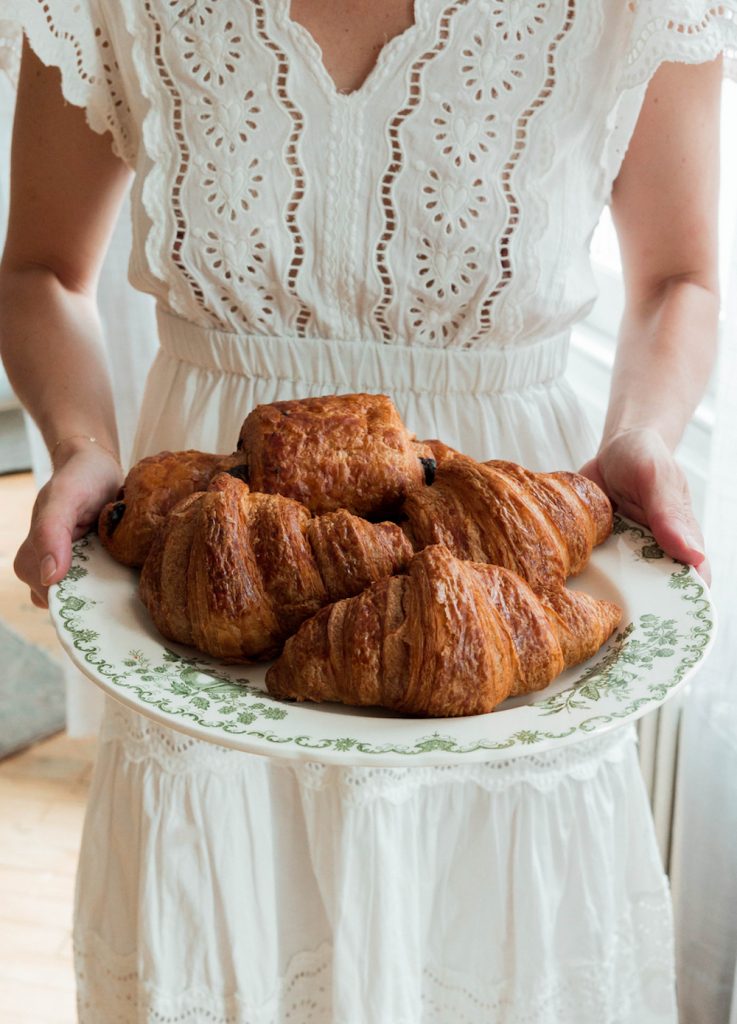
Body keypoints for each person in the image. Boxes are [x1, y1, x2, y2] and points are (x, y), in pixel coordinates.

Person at [0, 2, 734, 1021]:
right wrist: (85, 447)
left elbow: (676, 276)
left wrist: (643, 435)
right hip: (209, 604)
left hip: (503, 618)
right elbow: (41, 270)